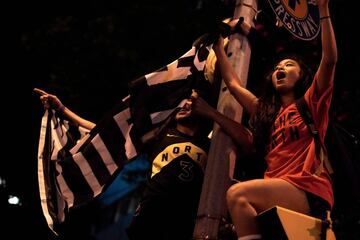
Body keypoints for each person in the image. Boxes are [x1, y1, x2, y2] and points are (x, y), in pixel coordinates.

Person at [191, 0, 337, 239]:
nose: (280, 68)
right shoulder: (267, 112)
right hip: (279, 189)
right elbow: (234, 84)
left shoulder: (311, 103)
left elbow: (329, 60)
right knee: (226, 205)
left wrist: (323, 10)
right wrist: (218, 47)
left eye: (289, 65)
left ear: (301, 76)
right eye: (277, 67)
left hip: (307, 188)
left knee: (237, 195)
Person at [126, 89, 215, 240]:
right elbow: (118, 138)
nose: (186, 104)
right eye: (184, 101)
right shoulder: (159, 136)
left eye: (192, 102)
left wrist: (212, 113)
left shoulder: (210, 145)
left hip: (183, 221)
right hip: (150, 214)